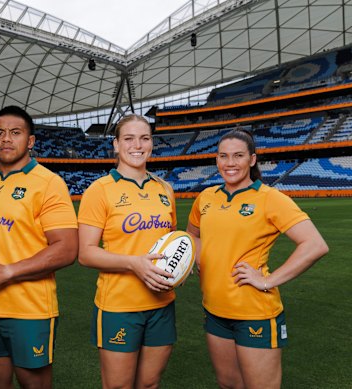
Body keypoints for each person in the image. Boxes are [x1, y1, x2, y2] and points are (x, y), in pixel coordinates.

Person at [186, 129, 329, 389]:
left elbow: (315, 244)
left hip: (255, 313)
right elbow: (192, 233)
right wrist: (196, 254)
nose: (230, 163)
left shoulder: (270, 198)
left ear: (252, 160)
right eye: (223, 156)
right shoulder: (206, 198)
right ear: (216, 160)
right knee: (228, 384)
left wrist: (268, 281)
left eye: (238, 156)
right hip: (214, 310)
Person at [0, 105, 78, 388]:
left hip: (29, 308)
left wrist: (7, 271)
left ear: (30, 141)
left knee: (33, 383)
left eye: (15, 132)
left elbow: (67, 248)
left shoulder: (49, 183)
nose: (6, 139)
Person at [77, 114, 177, 389]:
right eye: (129, 138)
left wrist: (183, 261)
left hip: (162, 304)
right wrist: (134, 263)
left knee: (149, 384)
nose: (137, 145)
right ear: (116, 145)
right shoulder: (99, 191)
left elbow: (171, 242)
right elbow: (85, 253)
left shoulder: (164, 189)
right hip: (118, 306)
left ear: (151, 143)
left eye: (144, 138)